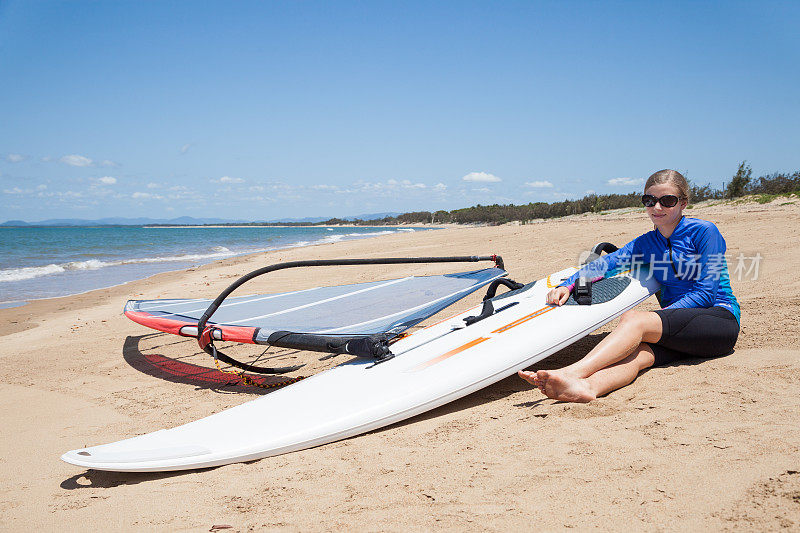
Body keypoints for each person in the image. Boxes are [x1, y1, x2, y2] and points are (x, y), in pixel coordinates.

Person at [518, 169, 740, 403]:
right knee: (638, 354)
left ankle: (571, 372)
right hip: (682, 332)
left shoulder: (705, 232)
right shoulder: (646, 243)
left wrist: (659, 319)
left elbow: (706, 293)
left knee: (635, 320)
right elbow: (606, 263)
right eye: (649, 200)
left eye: (667, 201)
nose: (657, 207)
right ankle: (586, 387)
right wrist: (569, 285)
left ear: (683, 203)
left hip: (718, 321)